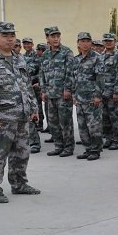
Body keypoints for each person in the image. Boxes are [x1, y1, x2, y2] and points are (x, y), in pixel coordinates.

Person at [0, 21, 40, 203]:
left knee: (21, 152)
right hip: (1, 118)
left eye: (12, 35)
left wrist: (33, 108)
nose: (10, 39)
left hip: (22, 116)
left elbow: (26, 85)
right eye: (5, 35)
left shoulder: (19, 59)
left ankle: (19, 184)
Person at [68, 32, 105, 161]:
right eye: (82, 41)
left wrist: (98, 96)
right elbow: (73, 78)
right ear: (78, 43)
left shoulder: (97, 58)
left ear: (91, 43)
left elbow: (100, 78)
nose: (85, 44)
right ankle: (88, 149)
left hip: (92, 98)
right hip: (79, 98)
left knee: (94, 126)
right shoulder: (76, 59)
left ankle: (95, 150)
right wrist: (74, 95)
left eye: (88, 41)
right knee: (82, 126)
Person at [40, 26, 76, 157]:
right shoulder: (45, 54)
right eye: (53, 36)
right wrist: (43, 91)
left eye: (57, 36)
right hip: (50, 94)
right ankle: (58, 146)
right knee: (53, 122)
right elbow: (42, 73)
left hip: (63, 94)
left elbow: (71, 72)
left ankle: (68, 147)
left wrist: (68, 89)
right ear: (47, 38)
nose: (56, 39)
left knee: (65, 122)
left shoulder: (67, 52)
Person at [101, 33, 118, 150]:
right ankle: (109, 138)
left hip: (113, 92)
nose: (108, 43)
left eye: (110, 41)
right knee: (105, 117)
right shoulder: (101, 56)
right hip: (103, 92)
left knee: (115, 117)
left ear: (115, 41)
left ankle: (117, 140)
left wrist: (117, 92)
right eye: (106, 41)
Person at [22, 37, 42, 153]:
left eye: (28, 43)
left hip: (33, 87)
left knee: (34, 112)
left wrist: (35, 81)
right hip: (21, 89)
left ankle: (35, 142)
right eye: (24, 43)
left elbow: (41, 71)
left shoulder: (36, 56)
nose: (26, 45)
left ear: (32, 44)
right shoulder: (21, 57)